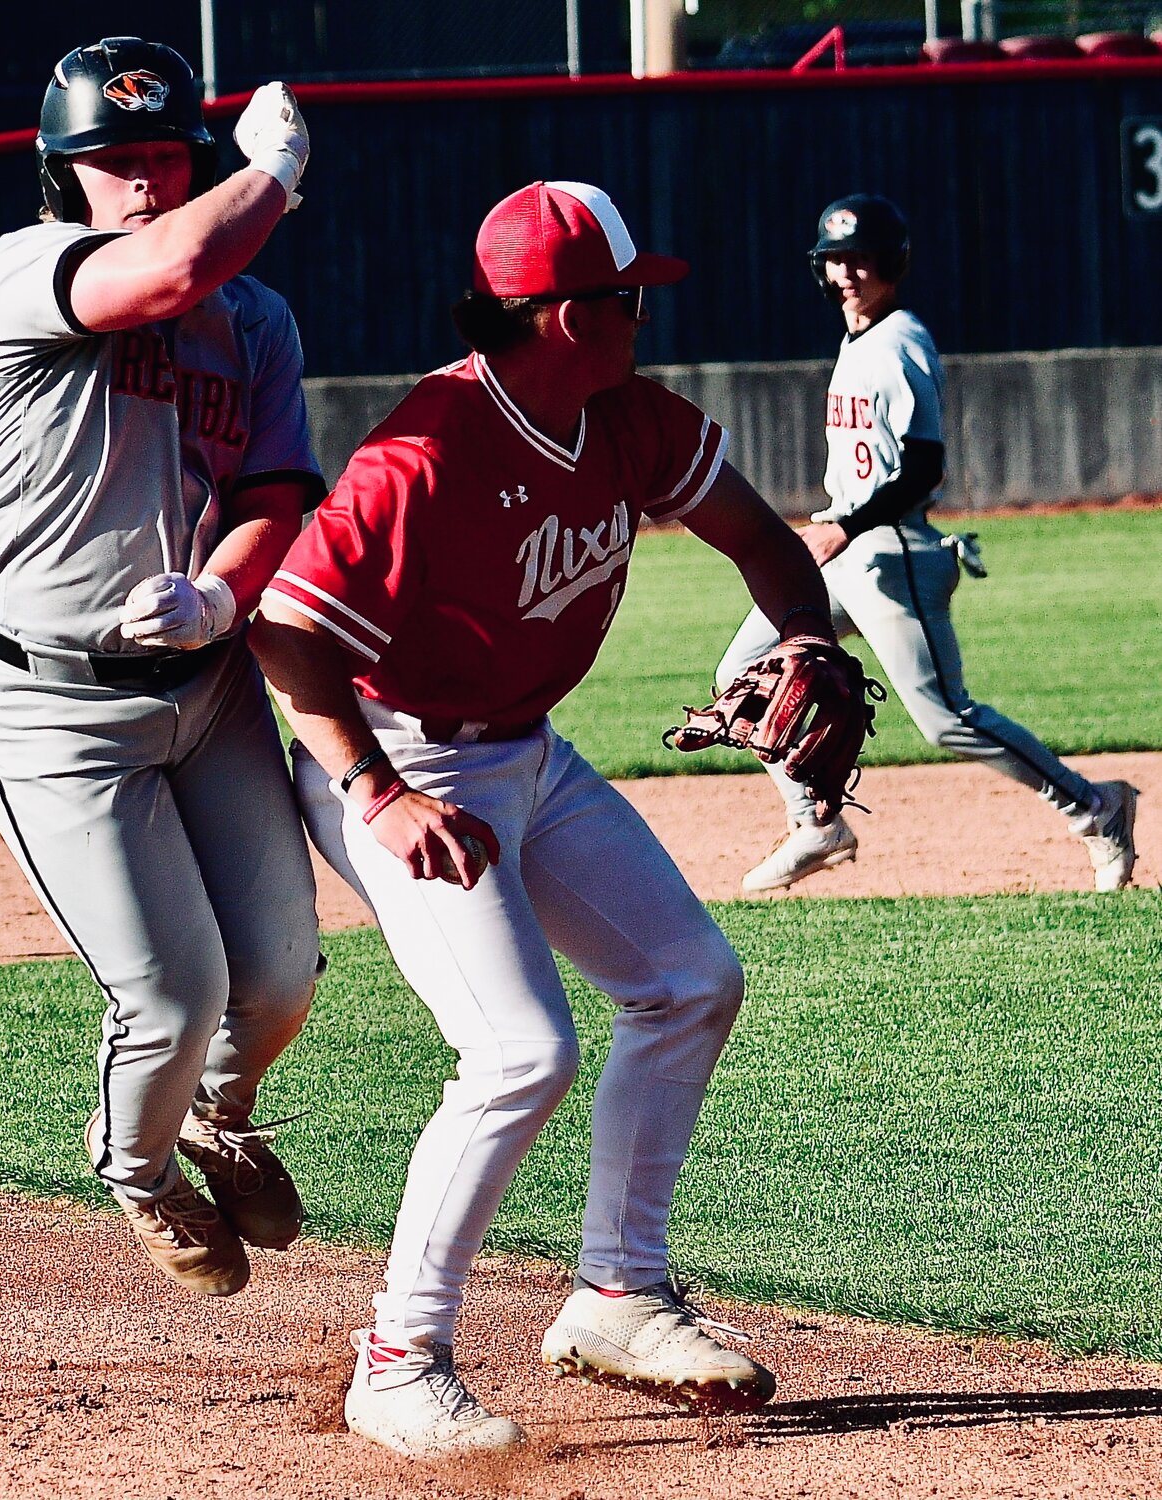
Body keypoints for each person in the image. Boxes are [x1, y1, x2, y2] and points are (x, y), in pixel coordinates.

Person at [251, 179, 854, 1457]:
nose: (649, 317)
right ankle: (397, 1361)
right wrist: (377, 792)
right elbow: (289, 636)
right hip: (400, 756)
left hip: (525, 752)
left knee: (689, 979)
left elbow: (761, 538)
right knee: (520, 1054)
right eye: (633, 298)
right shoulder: (424, 453)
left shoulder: (624, 418)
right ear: (566, 312)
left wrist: (801, 631)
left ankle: (618, 1298)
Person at [0, 38, 324, 1298]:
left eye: (168, 155)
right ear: (64, 180)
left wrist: (226, 591)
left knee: (271, 982)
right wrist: (269, 172)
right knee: (169, 996)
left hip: (202, 686)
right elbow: (165, 272)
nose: (147, 183)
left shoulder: (257, 320)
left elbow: (274, 486)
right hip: (50, 699)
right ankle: (139, 1172)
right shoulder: (20, 272)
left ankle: (223, 1117)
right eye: (114, 163)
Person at [718, 193, 1139, 894]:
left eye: (862, 258)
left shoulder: (898, 341)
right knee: (744, 676)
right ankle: (814, 824)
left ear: (893, 263)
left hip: (890, 551)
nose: (848, 272)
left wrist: (843, 527)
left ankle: (1095, 808)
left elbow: (923, 465)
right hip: (840, 550)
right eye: (836, 260)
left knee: (945, 719)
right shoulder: (859, 339)